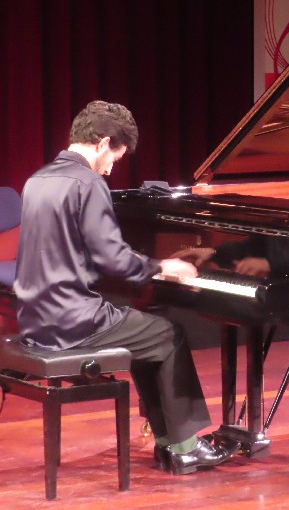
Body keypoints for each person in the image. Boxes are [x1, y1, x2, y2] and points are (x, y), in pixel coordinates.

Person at [14, 100, 238, 476]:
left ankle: (169, 443)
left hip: (35, 318)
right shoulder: (88, 183)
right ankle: (184, 448)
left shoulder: (38, 179)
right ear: (103, 143)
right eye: (114, 158)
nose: (110, 168)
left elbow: (73, 245)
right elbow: (113, 260)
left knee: (145, 336)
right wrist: (160, 266)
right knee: (168, 334)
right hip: (72, 320)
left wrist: (131, 257)